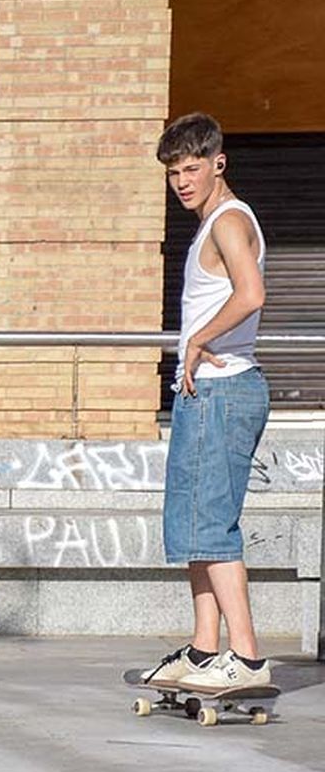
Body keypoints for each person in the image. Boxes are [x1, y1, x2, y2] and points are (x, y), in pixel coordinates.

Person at [143, 113, 272, 690]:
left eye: (192, 169)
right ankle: (203, 651)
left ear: (218, 163)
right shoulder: (213, 223)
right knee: (195, 523)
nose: (182, 182)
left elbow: (252, 293)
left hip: (223, 390)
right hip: (206, 394)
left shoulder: (228, 220)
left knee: (212, 525)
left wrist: (198, 340)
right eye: (174, 172)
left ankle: (246, 658)